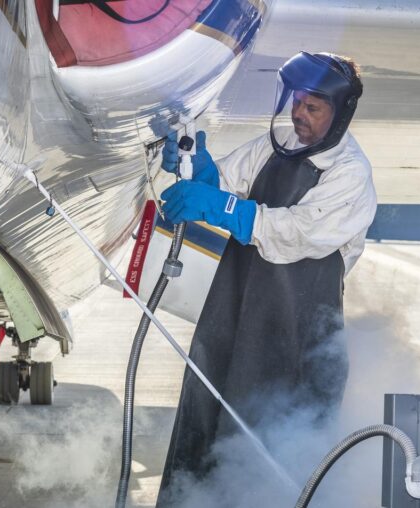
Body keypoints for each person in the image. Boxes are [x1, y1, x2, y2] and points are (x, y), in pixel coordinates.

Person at [155, 51, 377, 502]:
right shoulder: (280, 144)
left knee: (273, 437)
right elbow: (230, 182)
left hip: (294, 329)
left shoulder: (350, 174)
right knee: (208, 414)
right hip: (236, 309)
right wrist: (203, 174)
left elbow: (294, 234)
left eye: (312, 107)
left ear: (339, 114)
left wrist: (222, 208)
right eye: (296, 101)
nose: (299, 114)